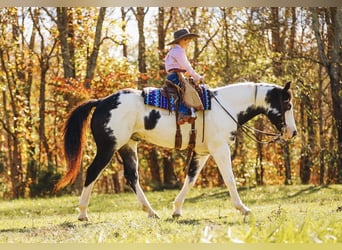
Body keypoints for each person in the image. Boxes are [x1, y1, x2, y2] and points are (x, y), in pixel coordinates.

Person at [165, 28, 204, 125]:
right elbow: (187, 66)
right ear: (183, 40)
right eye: (188, 40)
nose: (189, 42)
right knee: (186, 90)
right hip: (175, 76)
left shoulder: (174, 50)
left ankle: (190, 112)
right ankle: (183, 113)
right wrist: (197, 77)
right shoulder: (179, 51)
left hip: (173, 75)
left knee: (186, 88)